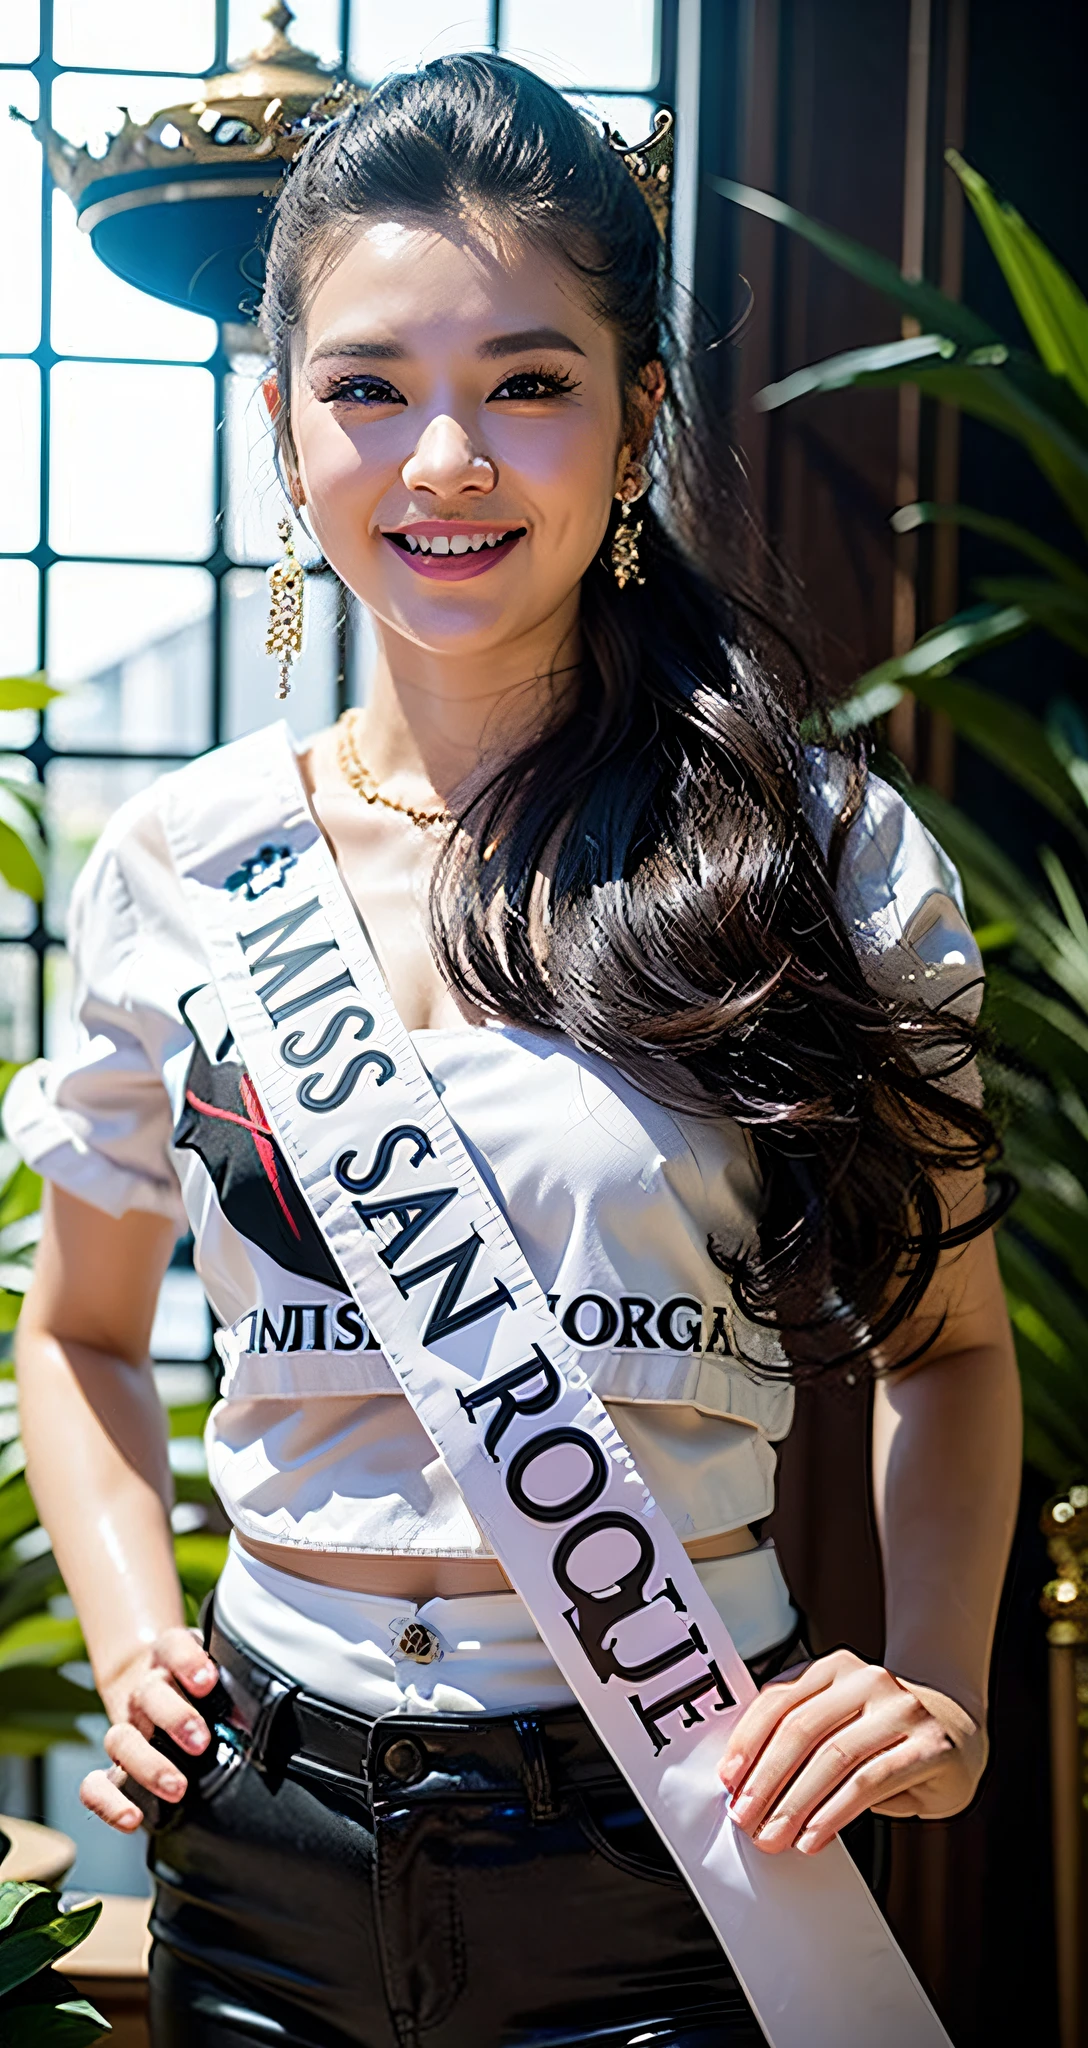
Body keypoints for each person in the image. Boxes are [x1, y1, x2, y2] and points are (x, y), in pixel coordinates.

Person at [8, 55, 1021, 2048]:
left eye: (528, 382)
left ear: (638, 411)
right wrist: (135, 1635)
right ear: (282, 421)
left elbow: (951, 1345)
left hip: (674, 1827)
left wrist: (948, 1690)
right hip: (259, 1833)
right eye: (368, 385)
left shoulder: (813, 851)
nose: (443, 458)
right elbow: (80, 1331)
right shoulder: (182, 864)